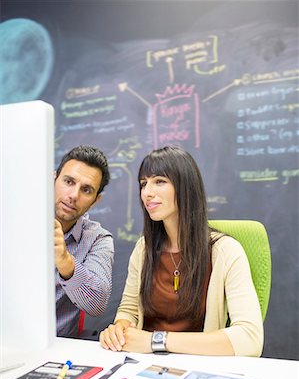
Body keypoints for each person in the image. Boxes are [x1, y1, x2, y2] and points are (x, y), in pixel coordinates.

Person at [99, 145, 263, 356]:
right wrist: (120, 329)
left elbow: (250, 339)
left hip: (198, 370)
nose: (147, 193)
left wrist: (156, 340)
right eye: (143, 184)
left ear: (186, 186)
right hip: (143, 366)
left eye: (160, 181)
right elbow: (129, 310)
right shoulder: (144, 248)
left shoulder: (225, 251)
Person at [55, 145, 114, 337]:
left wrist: (65, 261)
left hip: (58, 349)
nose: (73, 195)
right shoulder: (12, 219)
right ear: (53, 179)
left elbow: (96, 304)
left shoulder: (98, 239)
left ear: (95, 201)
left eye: (86, 190)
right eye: (69, 181)